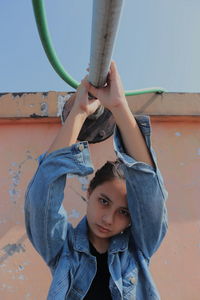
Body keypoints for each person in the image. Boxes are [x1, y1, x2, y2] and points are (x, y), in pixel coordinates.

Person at [24, 61, 168, 300]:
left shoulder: (139, 249)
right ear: (89, 191)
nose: (108, 219)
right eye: (104, 201)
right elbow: (41, 200)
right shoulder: (62, 249)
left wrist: (120, 106)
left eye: (124, 212)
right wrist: (79, 112)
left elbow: (148, 187)